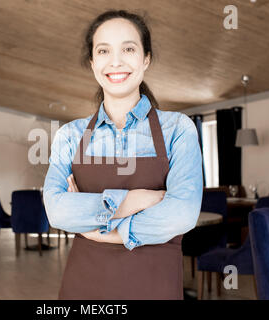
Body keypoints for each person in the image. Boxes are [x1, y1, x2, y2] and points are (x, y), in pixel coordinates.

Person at [43, 9, 203, 300]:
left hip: (156, 287)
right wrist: (135, 200)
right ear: (93, 63)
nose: (115, 61)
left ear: (146, 59)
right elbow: (56, 210)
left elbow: (182, 215)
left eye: (128, 48)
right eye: (103, 51)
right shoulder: (70, 135)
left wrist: (100, 232)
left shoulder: (178, 129)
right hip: (84, 288)